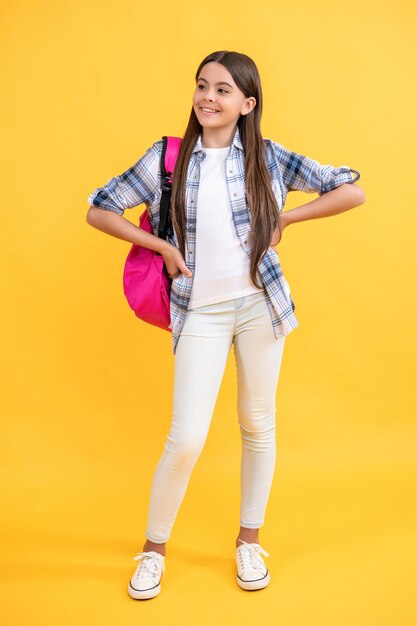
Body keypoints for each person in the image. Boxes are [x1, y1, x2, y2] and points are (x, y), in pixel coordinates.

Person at [86, 50, 365, 600]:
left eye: (222, 90)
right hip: (200, 311)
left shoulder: (266, 156)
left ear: (246, 103)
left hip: (261, 306)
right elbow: (100, 208)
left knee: (258, 425)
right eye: (201, 86)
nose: (207, 98)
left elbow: (350, 188)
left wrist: (287, 216)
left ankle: (248, 540)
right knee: (186, 436)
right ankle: (154, 550)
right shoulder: (169, 158)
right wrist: (160, 245)